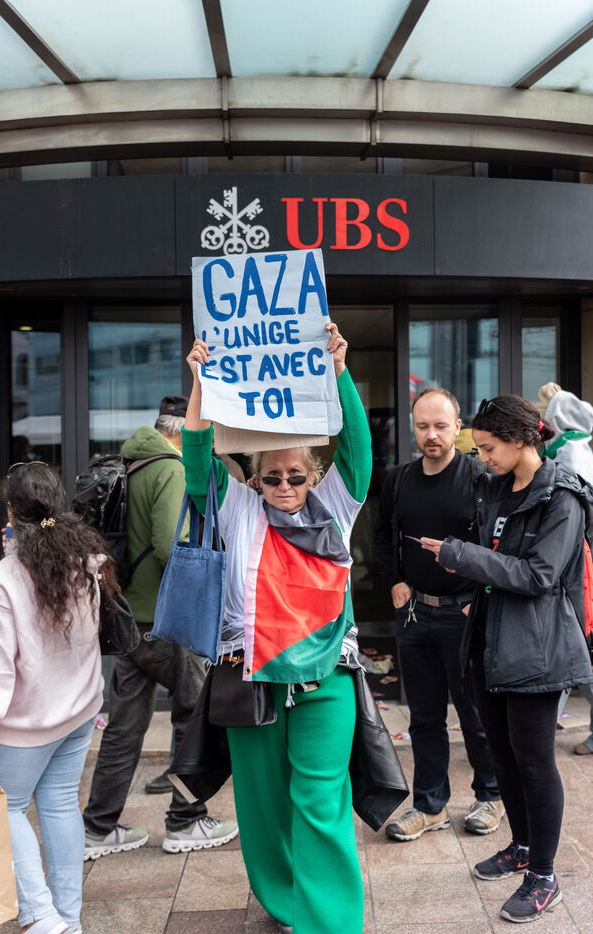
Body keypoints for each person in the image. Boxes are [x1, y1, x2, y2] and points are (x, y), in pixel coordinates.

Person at [183, 323, 371, 934]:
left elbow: (359, 451)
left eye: (296, 475)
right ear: (254, 479)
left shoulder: (337, 506)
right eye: (273, 477)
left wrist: (340, 372)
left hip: (327, 678)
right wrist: (201, 384)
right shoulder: (237, 506)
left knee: (320, 803)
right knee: (262, 808)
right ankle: (287, 903)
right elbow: (196, 463)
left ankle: (329, 924)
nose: (285, 486)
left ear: (314, 475)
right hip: (250, 676)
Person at [422, 394, 593, 924]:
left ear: (521, 440)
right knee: (504, 754)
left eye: (490, 447)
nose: (484, 457)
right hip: (488, 640)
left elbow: (539, 575)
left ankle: (544, 875)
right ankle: (521, 846)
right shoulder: (495, 488)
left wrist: (463, 556)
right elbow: (498, 558)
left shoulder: (562, 498)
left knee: (535, 761)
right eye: (479, 448)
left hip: (538, 648)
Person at [83, 395, 237, 857]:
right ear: (180, 431)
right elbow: (172, 544)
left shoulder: (131, 464)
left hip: (128, 615)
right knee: (195, 717)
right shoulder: (170, 469)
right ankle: (185, 821)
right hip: (166, 619)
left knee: (123, 728)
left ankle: (97, 827)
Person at [0, 462, 111, 934]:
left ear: (12, 510)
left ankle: (41, 916)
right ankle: (67, 918)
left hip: (25, 725)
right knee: (60, 804)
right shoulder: (83, 560)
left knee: (4, 809)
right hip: (78, 710)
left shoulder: (8, 577)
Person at [373, 388, 503, 841]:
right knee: (424, 717)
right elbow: (384, 535)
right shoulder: (399, 480)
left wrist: (478, 596)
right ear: (413, 427)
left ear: (458, 427)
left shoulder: (479, 477)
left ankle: (491, 796)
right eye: (423, 426)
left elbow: (496, 545)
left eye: (441, 426)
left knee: (475, 714)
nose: (431, 435)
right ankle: (430, 806)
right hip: (415, 614)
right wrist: (394, 580)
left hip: (465, 614)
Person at [537, 384, 593, 755]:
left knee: (576, 648)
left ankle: (536, 735)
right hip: (572, 564)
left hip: (579, 567)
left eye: (545, 409)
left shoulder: (572, 452)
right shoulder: (569, 447)